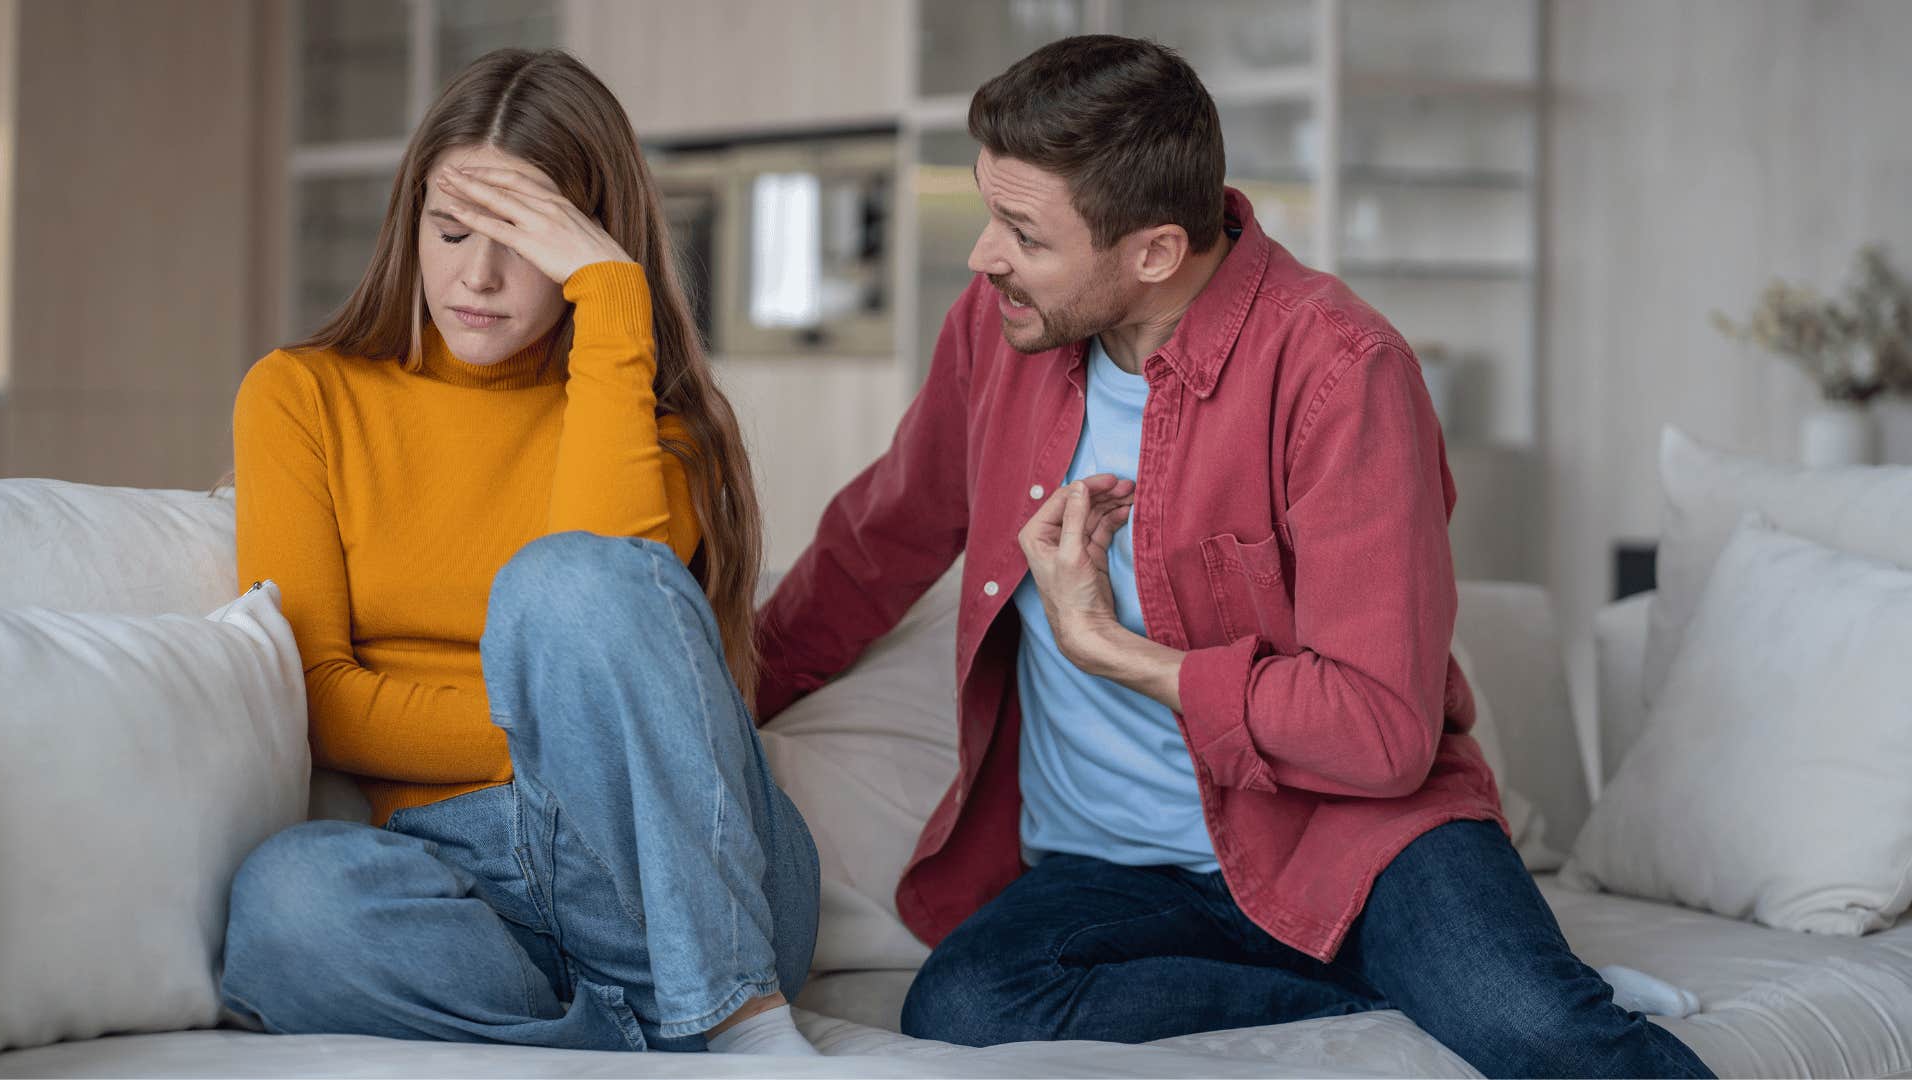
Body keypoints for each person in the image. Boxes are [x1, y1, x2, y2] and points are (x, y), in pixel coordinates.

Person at [753, 35, 1714, 1078]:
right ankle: (1387, 989)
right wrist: (704, 695)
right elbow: (873, 546)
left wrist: (1109, 646)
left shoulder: (1343, 371)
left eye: (1022, 233)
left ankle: (1470, 982)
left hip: (1354, 843)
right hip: (1110, 871)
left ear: (1155, 251)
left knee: (1540, 1031)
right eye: (992, 215)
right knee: (968, 1005)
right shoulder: (998, 331)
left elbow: (1385, 732)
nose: (985, 256)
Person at [220, 48, 821, 1057]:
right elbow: (321, 695)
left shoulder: (645, 423)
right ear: (409, 223)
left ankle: (737, 1015)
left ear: (595, 254)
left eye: (527, 245)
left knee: (569, 578)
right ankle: (644, 1037)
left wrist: (615, 307)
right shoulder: (302, 397)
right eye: (451, 231)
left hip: (683, 873)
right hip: (464, 866)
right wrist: (561, 728)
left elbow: (609, 601)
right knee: (285, 900)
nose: (478, 277)